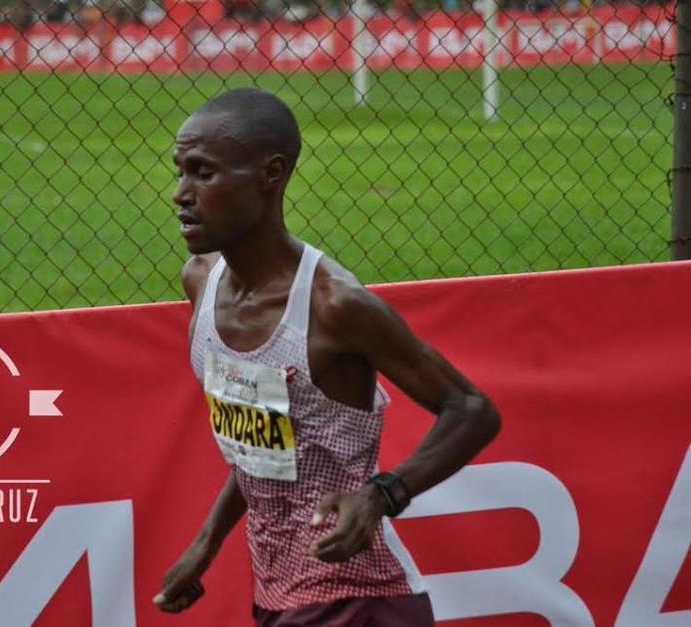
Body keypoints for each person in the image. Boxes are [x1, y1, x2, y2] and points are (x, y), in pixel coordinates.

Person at [153, 88, 501, 626]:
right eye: (180, 171)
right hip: (279, 594)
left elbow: (472, 409)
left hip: (356, 596)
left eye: (203, 173)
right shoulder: (202, 280)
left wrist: (383, 495)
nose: (180, 193)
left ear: (270, 174)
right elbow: (264, 445)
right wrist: (206, 544)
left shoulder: (333, 306)